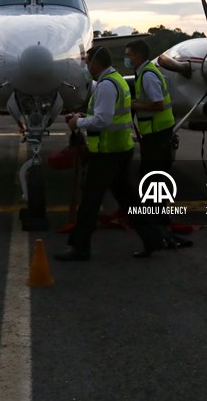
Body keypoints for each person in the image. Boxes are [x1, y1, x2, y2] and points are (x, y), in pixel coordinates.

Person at [56, 46, 163, 260]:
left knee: (90, 202)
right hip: (121, 149)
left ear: (96, 63)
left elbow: (103, 120)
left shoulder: (105, 85)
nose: (86, 65)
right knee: (128, 200)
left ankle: (79, 248)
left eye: (87, 62)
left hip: (107, 154)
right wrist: (85, 114)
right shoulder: (118, 80)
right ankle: (153, 238)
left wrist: (78, 122)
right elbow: (109, 113)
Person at [125, 40, 192, 249]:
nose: (126, 58)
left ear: (138, 55)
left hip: (157, 137)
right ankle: (161, 225)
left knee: (151, 179)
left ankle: (159, 228)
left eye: (129, 55)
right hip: (156, 135)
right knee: (154, 180)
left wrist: (132, 104)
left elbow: (158, 104)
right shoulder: (146, 72)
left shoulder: (148, 75)